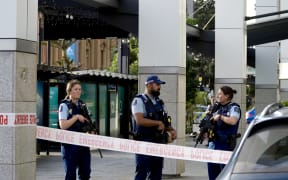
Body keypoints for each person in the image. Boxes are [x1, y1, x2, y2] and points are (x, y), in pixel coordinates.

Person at [131, 75, 177, 180]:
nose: (159, 87)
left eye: (160, 84)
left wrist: (171, 130)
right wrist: (157, 123)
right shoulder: (139, 101)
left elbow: (164, 121)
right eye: (157, 84)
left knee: (156, 174)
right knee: (142, 173)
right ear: (149, 85)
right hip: (144, 142)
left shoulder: (159, 102)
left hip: (158, 142)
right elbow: (139, 120)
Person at [58, 79, 91, 180]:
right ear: (69, 91)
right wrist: (76, 117)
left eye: (80, 89)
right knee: (71, 174)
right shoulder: (64, 106)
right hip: (70, 145)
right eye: (75, 89)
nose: (78, 91)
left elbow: (88, 121)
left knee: (86, 172)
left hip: (82, 143)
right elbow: (63, 125)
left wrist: (90, 127)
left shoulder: (82, 104)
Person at [207, 86, 241, 180]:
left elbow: (233, 121)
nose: (218, 96)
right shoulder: (217, 107)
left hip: (225, 145)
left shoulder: (234, 107)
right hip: (213, 144)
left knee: (225, 174)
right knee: (212, 172)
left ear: (227, 96)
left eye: (220, 94)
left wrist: (220, 117)